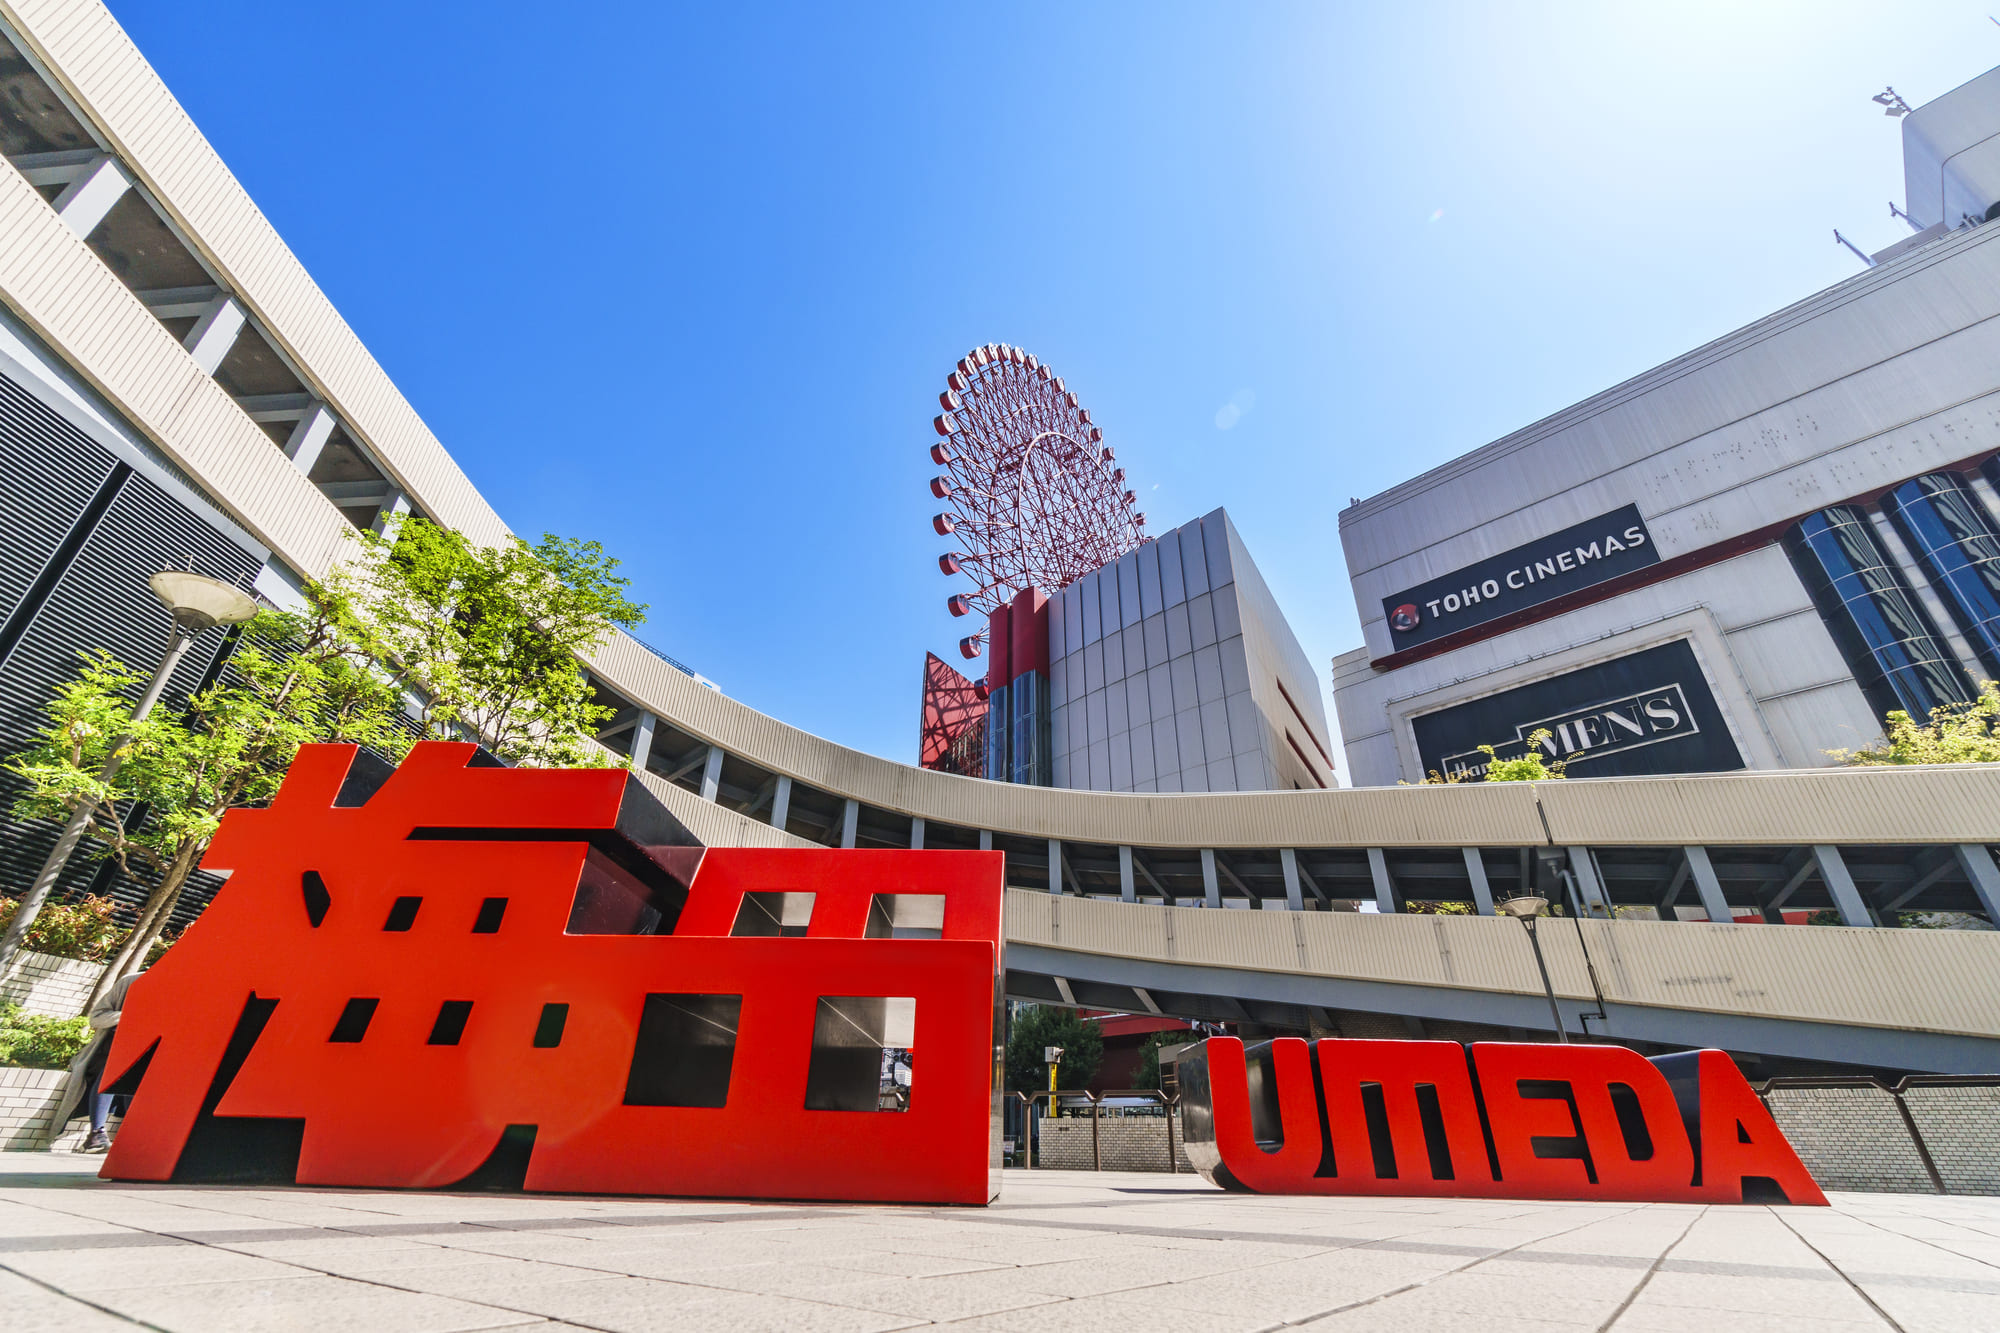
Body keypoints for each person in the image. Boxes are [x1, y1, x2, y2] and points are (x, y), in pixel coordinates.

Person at [52, 970, 138, 1153]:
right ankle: (97, 1133)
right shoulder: (131, 982)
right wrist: (130, 1015)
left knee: (135, 1083)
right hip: (113, 1050)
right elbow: (96, 1017)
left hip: (148, 1052)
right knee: (110, 1076)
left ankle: (129, 1135)